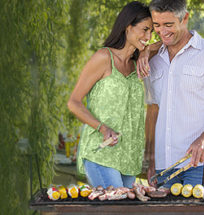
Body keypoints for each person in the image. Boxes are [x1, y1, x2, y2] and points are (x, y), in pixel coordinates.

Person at [139, 0, 204, 191]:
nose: (162, 31)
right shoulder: (152, 60)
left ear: (185, 18)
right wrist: (149, 158)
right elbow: (153, 109)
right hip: (163, 165)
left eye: (169, 25)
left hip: (200, 163)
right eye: (157, 26)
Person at [67, 1, 153, 189]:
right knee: (116, 207)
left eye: (151, 32)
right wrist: (103, 128)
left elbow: (171, 42)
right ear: (128, 27)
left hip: (129, 158)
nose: (148, 36)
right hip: (102, 153)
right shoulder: (104, 58)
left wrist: (147, 50)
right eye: (145, 29)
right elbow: (73, 102)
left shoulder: (136, 63)